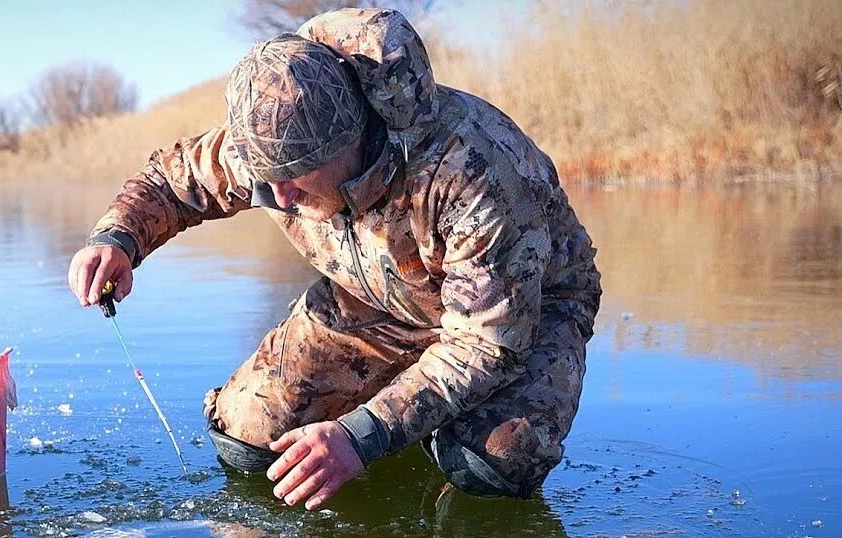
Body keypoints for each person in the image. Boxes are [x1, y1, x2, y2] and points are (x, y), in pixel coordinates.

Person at [67, 8, 601, 509]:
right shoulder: (270, 150)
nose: (278, 199)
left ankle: (420, 442)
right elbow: (173, 181)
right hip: (377, 304)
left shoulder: (471, 172)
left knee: (491, 464)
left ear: (347, 145)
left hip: (525, 310)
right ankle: (390, 426)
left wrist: (361, 436)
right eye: (265, 181)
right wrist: (117, 239)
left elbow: (485, 341)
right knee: (249, 442)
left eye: (294, 178)